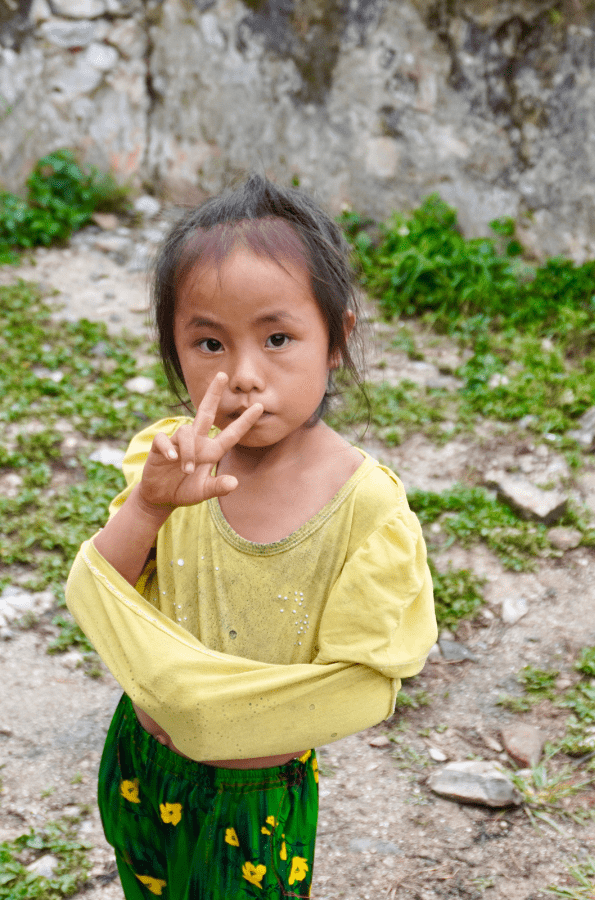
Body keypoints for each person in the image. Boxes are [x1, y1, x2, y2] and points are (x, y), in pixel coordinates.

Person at [65, 175, 437, 900]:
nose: (241, 375)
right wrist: (148, 507)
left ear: (336, 341)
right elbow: (99, 589)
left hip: (253, 800)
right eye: (208, 342)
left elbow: (362, 683)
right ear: (174, 352)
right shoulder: (167, 461)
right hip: (142, 760)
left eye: (277, 338)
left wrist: (208, 716)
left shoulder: (363, 510)